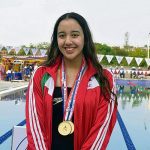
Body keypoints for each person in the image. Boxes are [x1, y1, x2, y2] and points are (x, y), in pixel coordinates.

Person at [26, 12, 117, 150]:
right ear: (56, 40)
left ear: (85, 38)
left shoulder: (104, 78)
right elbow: (35, 126)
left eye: (74, 35)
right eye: (62, 35)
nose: (68, 41)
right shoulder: (41, 75)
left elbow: (101, 130)